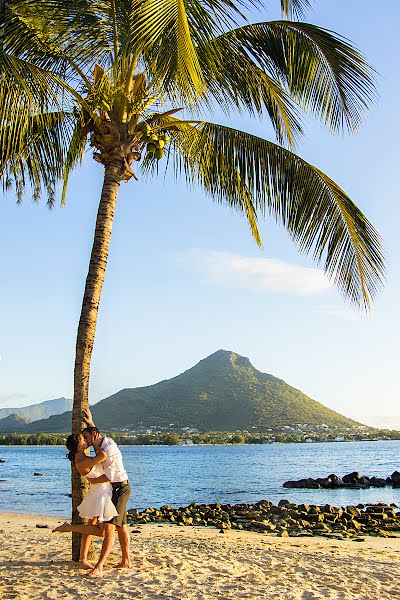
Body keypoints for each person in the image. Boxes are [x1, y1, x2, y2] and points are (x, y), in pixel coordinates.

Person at [52, 432, 118, 570]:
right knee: (102, 532)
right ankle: (69, 528)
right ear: (79, 445)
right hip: (101, 494)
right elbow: (103, 456)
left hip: (98, 491)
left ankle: (82, 559)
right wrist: (94, 443)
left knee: (91, 525)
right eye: (84, 440)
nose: (86, 441)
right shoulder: (82, 460)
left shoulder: (81, 457)